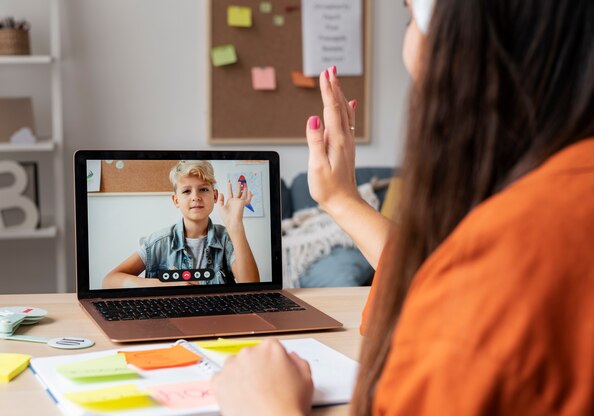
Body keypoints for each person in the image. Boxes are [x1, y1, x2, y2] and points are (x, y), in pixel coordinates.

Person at [211, 0, 594, 414]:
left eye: (411, 17)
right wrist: (341, 199)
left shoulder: (507, 261)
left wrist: (267, 406)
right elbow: (431, 283)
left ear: (468, 41)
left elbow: (460, 300)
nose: (406, 46)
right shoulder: (559, 201)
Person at [103, 160, 260, 288]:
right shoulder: (159, 242)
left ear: (215, 196)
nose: (195, 197)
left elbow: (253, 286)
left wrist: (235, 225)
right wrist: (163, 284)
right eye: (186, 191)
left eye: (204, 189)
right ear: (176, 200)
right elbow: (110, 281)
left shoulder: (226, 237)